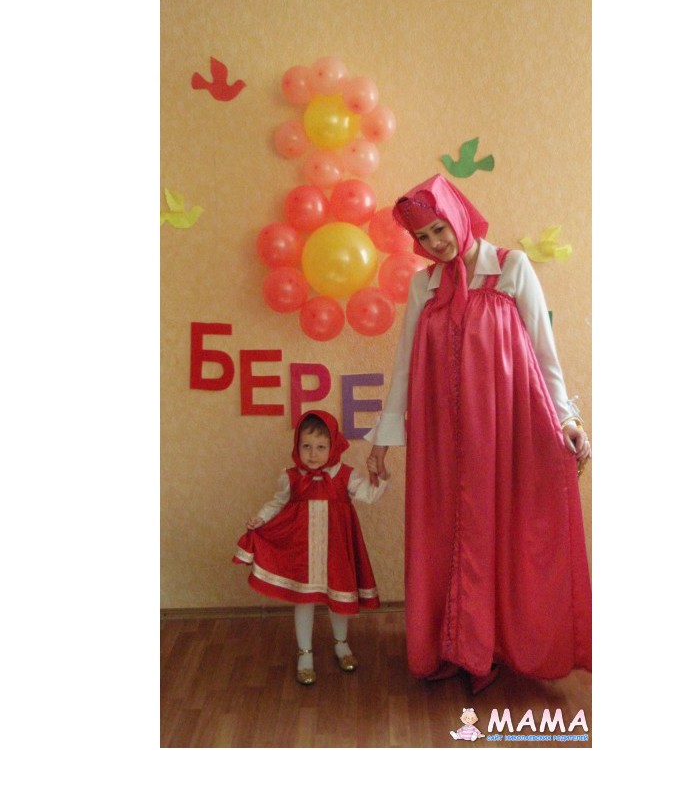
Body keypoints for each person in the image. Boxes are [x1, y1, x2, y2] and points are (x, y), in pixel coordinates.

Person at [365, 174, 592, 694]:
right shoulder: (424, 286)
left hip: (506, 429)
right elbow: (405, 366)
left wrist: (565, 418)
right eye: (423, 237)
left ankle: (498, 644)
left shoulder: (511, 267)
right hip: (441, 438)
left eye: (440, 229)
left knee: (505, 531)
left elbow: (543, 351)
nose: (435, 243)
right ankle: (457, 646)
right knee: (446, 532)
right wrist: (384, 439)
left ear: (459, 217)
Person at [234, 410, 390, 685]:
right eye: (306, 446)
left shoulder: (346, 475)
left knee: (338, 599)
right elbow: (277, 503)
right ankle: (304, 653)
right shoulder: (291, 477)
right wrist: (261, 518)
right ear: (297, 445)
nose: (313, 454)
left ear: (333, 446)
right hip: (302, 552)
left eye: (320, 447)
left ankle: (341, 644)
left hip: (336, 550)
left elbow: (369, 495)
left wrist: (380, 474)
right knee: (303, 600)